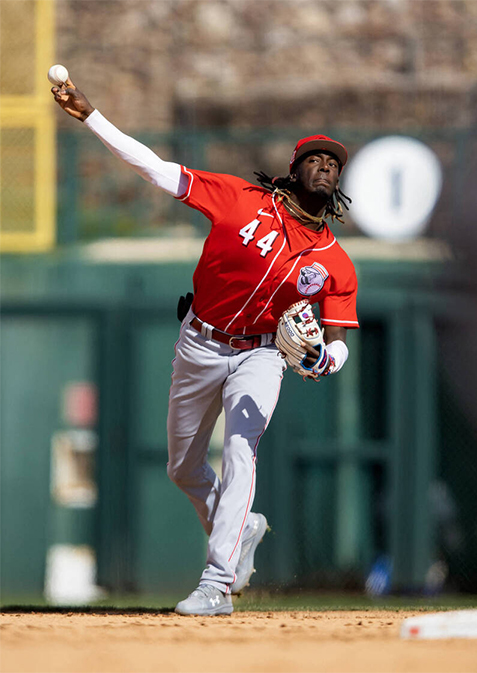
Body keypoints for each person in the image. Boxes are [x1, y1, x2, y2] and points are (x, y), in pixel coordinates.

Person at [52, 80, 359, 616]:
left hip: (263, 353)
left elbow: (339, 344)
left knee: (242, 450)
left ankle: (216, 583)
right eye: (314, 157)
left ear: (338, 183)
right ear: (294, 169)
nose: (325, 165)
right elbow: (152, 166)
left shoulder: (335, 262)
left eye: (334, 163)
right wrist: (91, 117)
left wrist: (322, 359)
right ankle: (242, 530)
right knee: (183, 468)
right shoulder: (239, 198)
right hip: (200, 341)